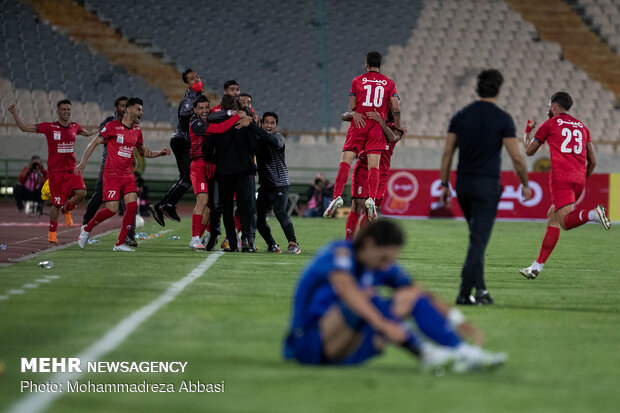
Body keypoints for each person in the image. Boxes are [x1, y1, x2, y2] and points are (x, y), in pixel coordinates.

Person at [283, 219, 507, 372]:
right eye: (384, 258)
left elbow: (418, 291)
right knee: (366, 298)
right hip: (309, 344)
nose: (387, 265)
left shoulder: (378, 266)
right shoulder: (339, 253)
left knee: (410, 295)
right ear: (369, 244)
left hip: (348, 347)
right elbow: (345, 289)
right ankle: (424, 352)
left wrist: (456, 319)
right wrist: (384, 324)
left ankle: (462, 351)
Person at [439, 69, 532, 305]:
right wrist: (525, 183)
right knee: (479, 240)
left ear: (476, 88)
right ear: (499, 90)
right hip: (487, 185)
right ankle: (463, 292)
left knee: (475, 238)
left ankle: (480, 291)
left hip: (464, 184)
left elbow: (448, 152)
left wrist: (444, 184)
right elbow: (517, 158)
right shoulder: (502, 119)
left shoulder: (460, 116)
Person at [520, 92, 610, 279]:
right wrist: (581, 178)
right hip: (579, 181)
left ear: (554, 106)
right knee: (552, 217)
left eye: (549, 106)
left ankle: (593, 214)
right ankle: (536, 267)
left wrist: (527, 131)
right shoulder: (583, 127)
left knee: (566, 223)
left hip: (561, 179)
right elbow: (592, 162)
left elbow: (529, 152)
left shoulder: (550, 124)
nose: (548, 109)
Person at [76, 97, 170, 251]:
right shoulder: (112, 126)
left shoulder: (137, 131)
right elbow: (93, 143)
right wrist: (83, 162)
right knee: (112, 209)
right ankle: (86, 229)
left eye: (142, 109)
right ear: (128, 109)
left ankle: (119, 244)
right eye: (139, 109)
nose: (141, 112)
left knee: (132, 207)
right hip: (111, 174)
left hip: (127, 175)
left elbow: (143, 151)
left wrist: (159, 153)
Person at [324, 51, 402, 219]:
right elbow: (395, 106)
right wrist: (398, 124)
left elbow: (352, 106)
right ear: (380, 65)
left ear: (366, 64)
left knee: (345, 161)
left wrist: (356, 112)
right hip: (376, 125)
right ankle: (372, 199)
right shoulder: (389, 83)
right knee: (374, 165)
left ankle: (336, 196)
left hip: (359, 123)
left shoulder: (357, 80)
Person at [8, 100, 94, 243]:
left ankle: (67, 209)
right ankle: (52, 232)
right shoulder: (49, 127)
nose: (67, 112)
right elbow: (23, 128)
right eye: (64, 109)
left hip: (72, 170)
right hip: (56, 173)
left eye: (69, 109)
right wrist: (14, 113)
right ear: (58, 112)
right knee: (56, 204)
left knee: (82, 193)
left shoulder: (75, 127)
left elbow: (87, 133)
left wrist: (101, 130)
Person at [203, 94, 258, 252]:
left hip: (224, 172)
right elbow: (254, 146)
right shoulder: (244, 122)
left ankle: (233, 244)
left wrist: (218, 158)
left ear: (221, 107)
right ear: (236, 107)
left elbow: (207, 152)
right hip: (243, 171)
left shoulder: (214, 124)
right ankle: (247, 241)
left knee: (226, 209)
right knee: (243, 207)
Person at [188, 94, 243, 250]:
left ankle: (197, 239)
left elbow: (218, 116)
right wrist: (236, 116)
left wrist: (229, 113)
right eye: (201, 108)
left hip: (212, 166)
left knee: (210, 208)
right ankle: (194, 238)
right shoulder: (195, 123)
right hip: (198, 166)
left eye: (207, 107)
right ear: (194, 110)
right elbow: (220, 129)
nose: (204, 111)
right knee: (203, 201)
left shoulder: (210, 117)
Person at [150, 69, 203, 226]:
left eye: (197, 77)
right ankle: (168, 206)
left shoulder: (198, 97)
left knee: (185, 178)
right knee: (188, 177)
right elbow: (187, 115)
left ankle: (162, 206)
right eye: (192, 79)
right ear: (186, 84)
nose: (196, 80)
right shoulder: (189, 101)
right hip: (181, 141)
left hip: (185, 141)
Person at [81, 96, 137, 245]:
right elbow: (103, 140)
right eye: (122, 106)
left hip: (125, 169)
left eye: (126, 106)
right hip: (109, 167)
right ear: (115, 108)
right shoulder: (109, 123)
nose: (124, 108)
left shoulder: (131, 124)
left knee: (130, 203)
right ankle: (86, 225)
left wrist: (133, 158)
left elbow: (128, 143)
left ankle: (129, 235)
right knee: (100, 196)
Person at [342, 110, 403, 240]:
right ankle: (348, 242)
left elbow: (393, 138)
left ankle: (359, 243)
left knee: (372, 210)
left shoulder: (397, 129)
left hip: (381, 173)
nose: (396, 109)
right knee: (358, 205)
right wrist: (355, 114)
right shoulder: (369, 119)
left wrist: (380, 121)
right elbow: (344, 116)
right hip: (364, 169)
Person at [255, 111, 301, 254]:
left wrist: (252, 126)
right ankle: (272, 245)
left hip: (280, 183)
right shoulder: (258, 138)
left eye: (272, 123)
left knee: (280, 212)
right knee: (258, 217)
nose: (269, 125)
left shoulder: (278, 137)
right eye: (266, 122)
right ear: (262, 124)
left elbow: (271, 141)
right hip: (266, 185)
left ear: (276, 126)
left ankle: (294, 244)